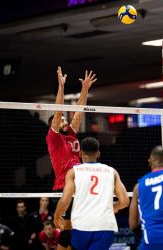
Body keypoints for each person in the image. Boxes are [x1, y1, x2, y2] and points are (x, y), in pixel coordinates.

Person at [46, 67, 97, 250]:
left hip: (80, 187)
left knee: (72, 232)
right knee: (69, 229)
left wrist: (84, 89)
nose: (64, 120)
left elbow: (79, 111)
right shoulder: (53, 138)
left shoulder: (72, 135)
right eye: (60, 120)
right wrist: (61, 86)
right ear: (55, 123)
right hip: (63, 188)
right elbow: (58, 111)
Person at [54, 137, 130, 250]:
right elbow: (124, 201)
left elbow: (65, 200)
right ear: (98, 153)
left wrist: (57, 216)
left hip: (81, 226)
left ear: (80, 153)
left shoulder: (74, 172)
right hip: (104, 227)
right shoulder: (112, 172)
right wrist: (114, 206)